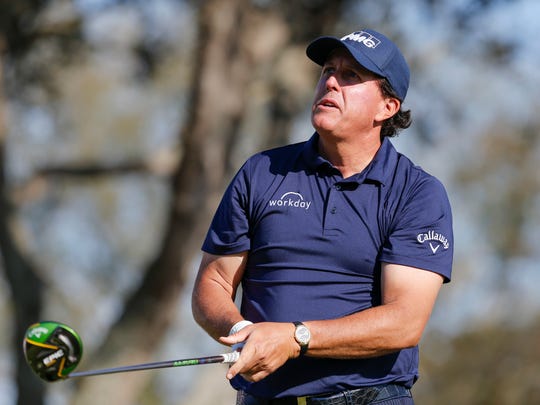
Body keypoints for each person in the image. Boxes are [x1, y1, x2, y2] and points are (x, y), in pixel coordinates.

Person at [192, 28, 453, 405]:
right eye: (328, 70)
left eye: (351, 76)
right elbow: (213, 282)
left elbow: (404, 322)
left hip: (368, 397)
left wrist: (296, 338)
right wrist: (243, 331)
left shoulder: (416, 193)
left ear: (387, 107)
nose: (330, 81)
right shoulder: (262, 171)